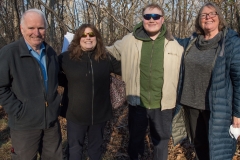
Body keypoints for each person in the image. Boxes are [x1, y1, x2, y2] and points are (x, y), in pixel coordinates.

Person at [106, 3, 183, 160]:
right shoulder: (129, 40)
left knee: (160, 143)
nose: (151, 20)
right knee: (135, 141)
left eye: (156, 16)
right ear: (142, 19)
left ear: (162, 20)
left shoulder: (176, 45)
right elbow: (108, 52)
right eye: (148, 16)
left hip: (163, 105)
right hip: (137, 103)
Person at [172, 2, 240, 160]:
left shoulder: (231, 43)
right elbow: (170, 42)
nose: (208, 17)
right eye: (204, 14)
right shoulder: (192, 42)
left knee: (219, 151)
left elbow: (238, 80)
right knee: (200, 146)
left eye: (212, 14)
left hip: (218, 109)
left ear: (219, 18)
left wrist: (237, 113)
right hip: (191, 106)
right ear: (199, 20)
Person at [0, 9, 62, 160]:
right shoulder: (10, 53)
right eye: (31, 28)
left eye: (41, 28)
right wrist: (19, 111)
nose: (37, 32)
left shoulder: (50, 52)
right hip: (25, 124)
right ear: (22, 29)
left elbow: (58, 79)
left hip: (51, 123)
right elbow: (1, 87)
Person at [58, 24, 121, 160]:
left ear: (97, 38)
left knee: (96, 148)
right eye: (84, 35)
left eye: (91, 35)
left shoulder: (105, 58)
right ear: (78, 38)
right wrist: (69, 82)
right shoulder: (66, 58)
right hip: (75, 114)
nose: (88, 38)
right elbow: (54, 75)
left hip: (99, 114)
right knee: (74, 148)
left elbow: (125, 69)